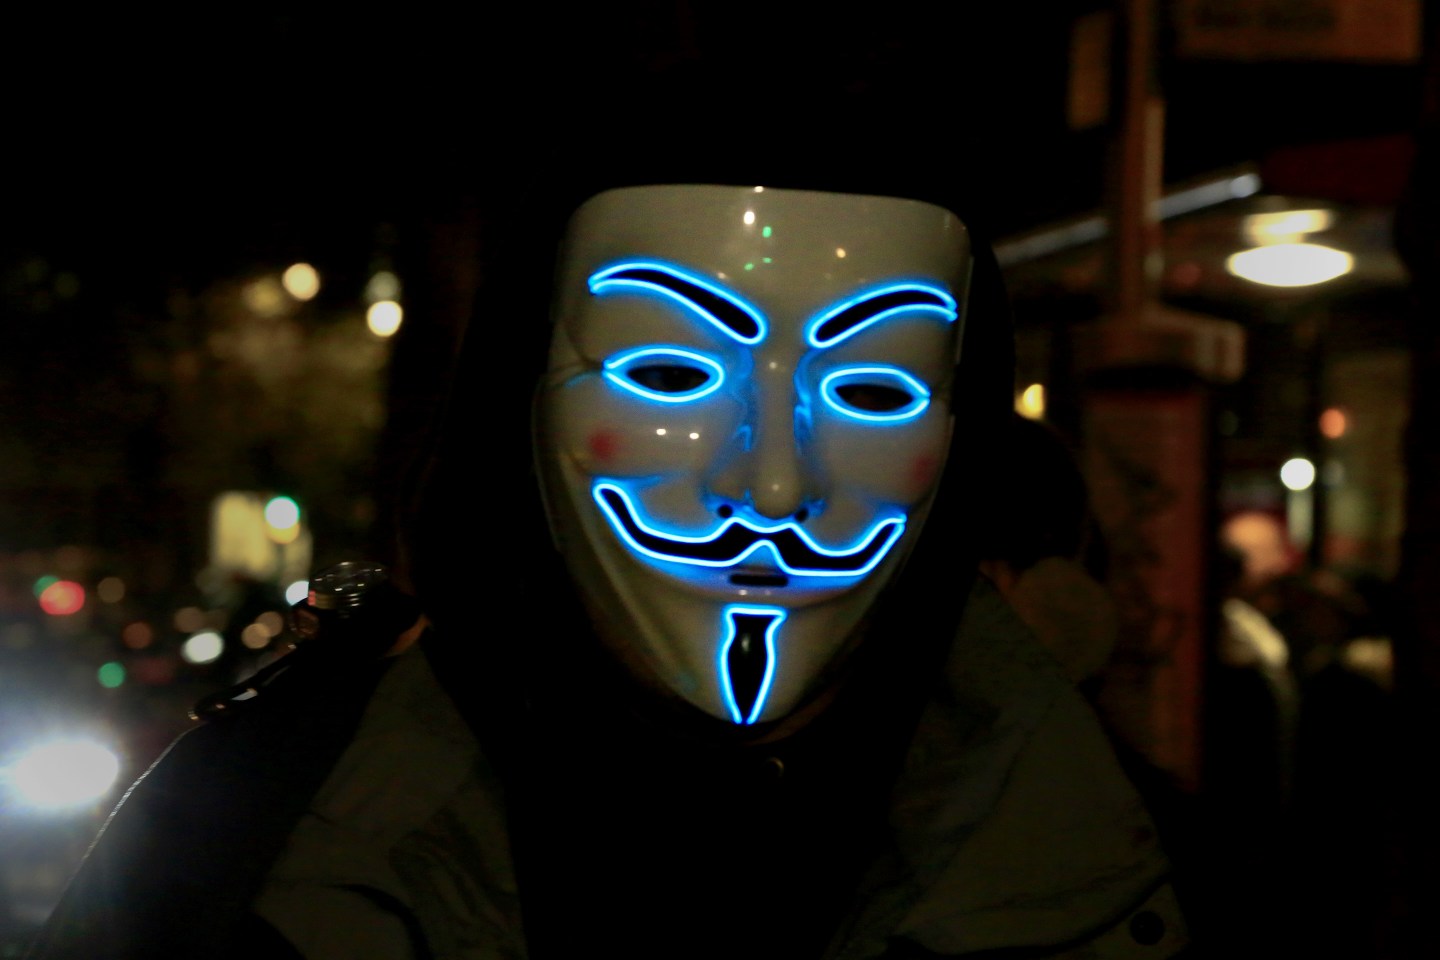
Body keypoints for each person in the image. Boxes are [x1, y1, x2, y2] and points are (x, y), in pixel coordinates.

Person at [31, 158, 1187, 958]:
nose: (773, 488)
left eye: (873, 389)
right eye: (672, 374)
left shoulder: (1154, 875)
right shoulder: (238, 831)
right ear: (516, 402)